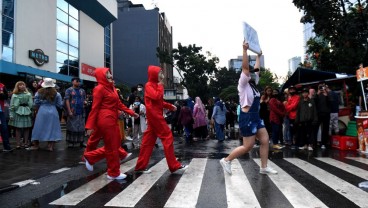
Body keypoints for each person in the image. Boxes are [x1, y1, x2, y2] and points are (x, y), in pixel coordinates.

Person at [220, 41, 277, 175]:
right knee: (248, 146)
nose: (251, 73)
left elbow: (256, 70)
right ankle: (226, 160)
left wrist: (258, 56)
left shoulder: (254, 86)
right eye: (249, 73)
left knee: (265, 140)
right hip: (247, 118)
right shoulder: (243, 84)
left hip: (256, 117)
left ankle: (264, 167)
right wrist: (245, 51)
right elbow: (245, 69)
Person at [83, 68, 138, 180]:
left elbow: (119, 104)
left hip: (113, 118)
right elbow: (95, 108)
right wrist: (89, 126)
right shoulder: (99, 89)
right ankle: (113, 172)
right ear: (101, 76)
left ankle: (90, 157)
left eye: (109, 73)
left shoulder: (111, 88)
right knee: (112, 146)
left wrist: (131, 112)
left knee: (114, 144)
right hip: (105, 119)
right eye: (107, 73)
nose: (110, 75)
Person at [134, 65, 187, 174]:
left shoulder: (153, 85)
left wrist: (170, 106)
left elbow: (159, 102)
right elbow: (156, 97)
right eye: (160, 73)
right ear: (154, 74)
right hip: (155, 116)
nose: (162, 76)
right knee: (167, 137)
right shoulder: (149, 85)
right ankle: (174, 165)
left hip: (154, 115)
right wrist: (160, 86)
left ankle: (140, 166)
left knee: (148, 141)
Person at [29, 78, 63, 151]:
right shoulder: (57, 94)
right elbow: (60, 104)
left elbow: (36, 103)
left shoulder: (39, 92)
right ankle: (50, 146)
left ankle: (36, 145)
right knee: (52, 128)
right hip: (53, 111)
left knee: (39, 127)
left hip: (42, 111)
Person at [9, 81, 33, 148]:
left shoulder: (28, 94)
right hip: (17, 112)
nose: (22, 86)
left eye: (23, 85)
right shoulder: (14, 95)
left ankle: (25, 143)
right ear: (17, 86)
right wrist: (11, 114)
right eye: (20, 85)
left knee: (27, 128)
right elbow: (11, 105)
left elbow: (31, 104)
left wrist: (32, 112)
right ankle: (18, 144)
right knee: (18, 129)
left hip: (27, 112)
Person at [64, 77, 86, 148]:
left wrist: (85, 102)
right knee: (72, 127)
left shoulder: (82, 91)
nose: (78, 83)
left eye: (79, 81)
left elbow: (84, 99)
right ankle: (71, 143)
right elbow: (67, 100)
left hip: (81, 111)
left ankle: (81, 142)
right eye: (77, 81)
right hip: (73, 111)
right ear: (72, 82)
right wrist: (69, 111)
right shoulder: (69, 90)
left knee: (81, 127)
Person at [0, 82, 13, 152]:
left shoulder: (2, 85)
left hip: (1, 111)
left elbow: (6, 96)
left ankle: (7, 147)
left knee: (4, 129)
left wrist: (1, 94)